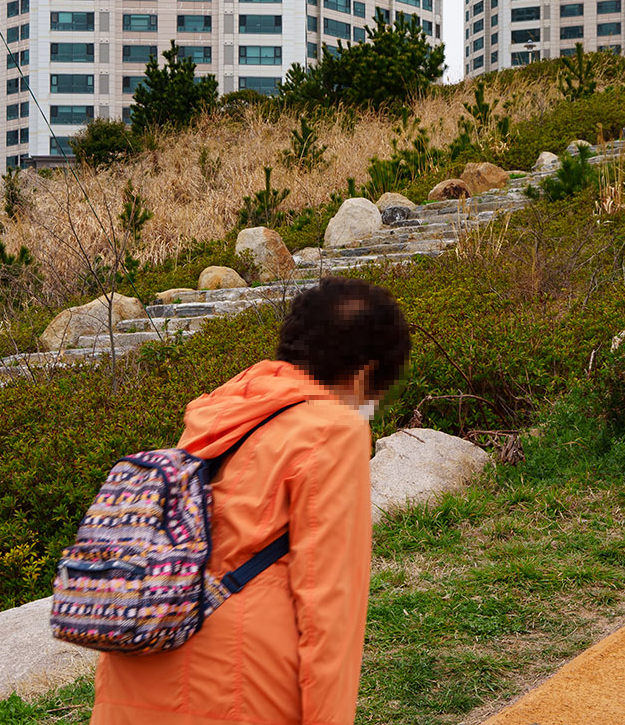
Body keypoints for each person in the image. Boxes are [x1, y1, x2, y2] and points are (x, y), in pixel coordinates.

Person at [92, 277, 411, 725]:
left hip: (138, 665)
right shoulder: (334, 429)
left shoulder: (221, 412)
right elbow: (330, 606)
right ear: (365, 374)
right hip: (236, 687)